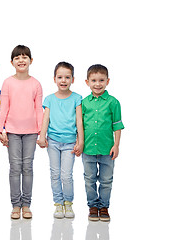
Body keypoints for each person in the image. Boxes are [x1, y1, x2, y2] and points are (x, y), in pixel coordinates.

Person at [0, 45, 43, 219]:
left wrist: (41, 132)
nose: (21, 60)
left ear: (31, 61)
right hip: (13, 132)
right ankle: (15, 205)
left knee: (27, 167)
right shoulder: (8, 82)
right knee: (15, 168)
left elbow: (39, 109)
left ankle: (26, 205)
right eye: (17, 57)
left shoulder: (36, 84)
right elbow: (4, 107)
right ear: (12, 62)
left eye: (24, 57)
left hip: (31, 132)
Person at [37, 62, 84, 219]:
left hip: (70, 142)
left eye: (67, 77)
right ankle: (58, 204)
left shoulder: (77, 98)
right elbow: (45, 119)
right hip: (53, 142)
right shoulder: (50, 99)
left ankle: (68, 203)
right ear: (54, 79)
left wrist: (80, 141)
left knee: (66, 175)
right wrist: (42, 136)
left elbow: (79, 121)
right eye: (60, 77)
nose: (63, 80)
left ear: (73, 79)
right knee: (55, 173)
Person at [82, 64, 124, 222]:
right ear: (87, 82)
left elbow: (117, 125)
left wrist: (116, 145)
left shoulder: (113, 102)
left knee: (106, 180)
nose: (97, 84)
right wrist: (80, 144)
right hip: (88, 149)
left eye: (101, 80)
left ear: (108, 81)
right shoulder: (84, 103)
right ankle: (93, 206)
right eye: (94, 80)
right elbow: (80, 126)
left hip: (107, 149)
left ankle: (104, 206)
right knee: (89, 179)